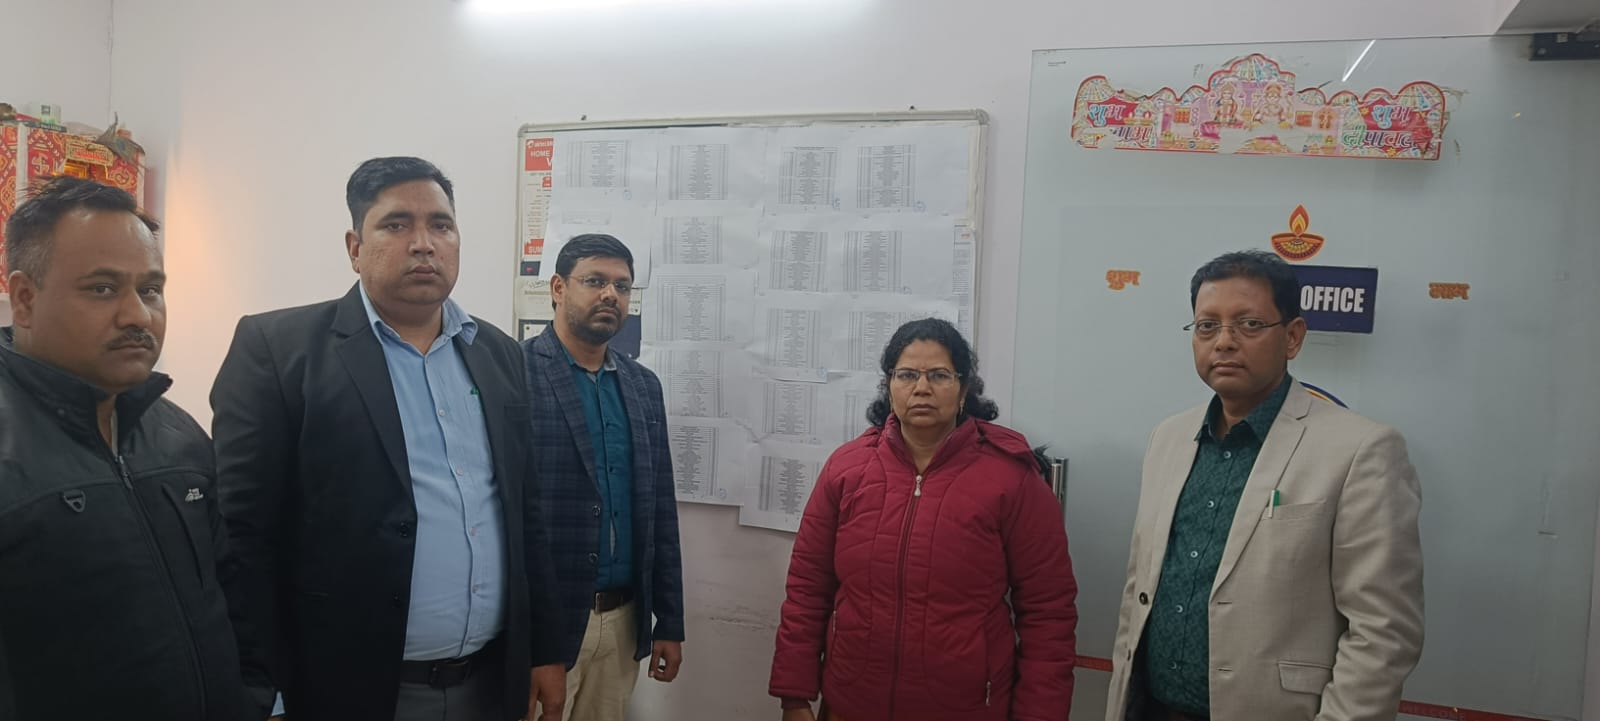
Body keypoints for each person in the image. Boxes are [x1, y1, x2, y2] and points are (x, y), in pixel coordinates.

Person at [211, 157, 566, 721]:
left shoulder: (498, 353)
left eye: (441, 225)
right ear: (355, 247)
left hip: (490, 681)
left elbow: (526, 511)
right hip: (347, 687)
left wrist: (543, 649)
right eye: (397, 224)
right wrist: (262, 691)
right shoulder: (279, 351)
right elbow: (240, 537)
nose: (424, 243)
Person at [1105, 250, 1424, 721]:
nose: (1224, 342)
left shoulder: (1360, 450)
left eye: (1249, 324)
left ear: (1293, 337)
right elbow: (1140, 591)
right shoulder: (1168, 438)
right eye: (1207, 326)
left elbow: (1383, 631)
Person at [0, 176, 254, 720]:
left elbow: (230, 593)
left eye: (151, 289)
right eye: (102, 289)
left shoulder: (178, 435)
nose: (139, 315)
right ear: (24, 298)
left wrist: (253, 697)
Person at [770, 317, 1078, 721]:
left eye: (939, 375)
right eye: (907, 375)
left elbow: (1048, 613)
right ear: (889, 385)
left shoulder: (1011, 479)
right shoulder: (846, 470)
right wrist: (794, 696)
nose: (921, 388)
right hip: (851, 705)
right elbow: (808, 588)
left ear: (964, 389)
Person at [522, 233, 685, 721]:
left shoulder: (643, 386)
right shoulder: (515, 372)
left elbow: (660, 507)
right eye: (595, 281)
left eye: (622, 286)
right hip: (546, 625)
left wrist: (669, 620)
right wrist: (528, 639)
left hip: (623, 621)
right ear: (558, 287)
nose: (610, 295)